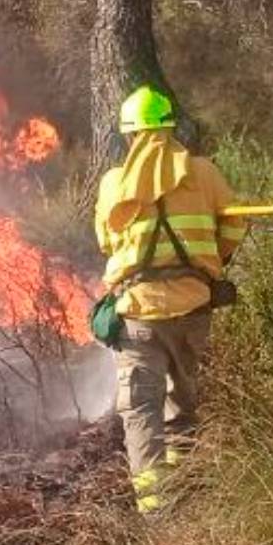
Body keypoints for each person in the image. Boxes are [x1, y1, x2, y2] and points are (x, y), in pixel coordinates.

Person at [94, 85, 245, 513]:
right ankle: (186, 487)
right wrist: (209, 261)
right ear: (171, 129)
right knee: (182, 403)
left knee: (142, 413)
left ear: (129, 137)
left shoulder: (114, 183)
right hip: (195, 310)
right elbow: (235, 226)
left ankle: (157, 509)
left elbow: (107, 241)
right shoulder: (204, 173)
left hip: (141, 317)